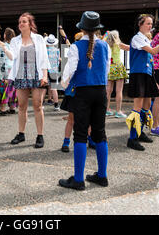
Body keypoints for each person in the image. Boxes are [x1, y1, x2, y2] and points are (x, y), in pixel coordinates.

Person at [58, 11, 111, 190]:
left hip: (83, 92)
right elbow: (106, 69)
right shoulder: (105, 46)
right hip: (100, 92)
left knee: (80, 134)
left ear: (82, 28)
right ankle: (102, 176)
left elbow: (70, 69)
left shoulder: (75, 47)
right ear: (97, 29)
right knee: (100, 133)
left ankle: (79, 180)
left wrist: (63, 84)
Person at [125, 15, 159, 151]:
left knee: (146, 106)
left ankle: (140, 132)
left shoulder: (145, 38)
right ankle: (132, 138)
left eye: (151, 23)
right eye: (147, 23)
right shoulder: (137, 38)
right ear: (140, 24)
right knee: (137, 107)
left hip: (147, 75)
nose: (150, 26)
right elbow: (153, 51)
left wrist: (153, 79)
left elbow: (150, 60)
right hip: (138, 75)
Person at [8, 12, 50, 148]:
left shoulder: (38, 39)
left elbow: (44, 58)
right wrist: (3, 47)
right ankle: (21, 133)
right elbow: (12, 56)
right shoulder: (15, 41)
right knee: (21, 106)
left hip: (36, 74)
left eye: (24, 21)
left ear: (30, 24)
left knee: (37, 105)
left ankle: (40, 135)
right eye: (20, 22)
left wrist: (44, 75)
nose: (21, 24)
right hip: (20, 74)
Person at [104, 30, 129, 118]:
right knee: (119, 91)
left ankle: (106, 110)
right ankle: (118, 111)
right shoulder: (119, 44)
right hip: (118, 67)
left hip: (109, 67)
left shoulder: (106, 45)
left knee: (108, 91)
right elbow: (129, 48)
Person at [0, 28, 18, 116]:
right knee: (12, 89)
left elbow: (2, 58)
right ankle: (12, 108)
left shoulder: (3, 45)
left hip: (6, 69)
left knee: (3, 89)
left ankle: (3, 109)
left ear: (5, 35)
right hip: (14, 70)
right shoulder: (15, 46)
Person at [45, 34, 61, 111]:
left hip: (47, 70)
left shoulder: (45, 51)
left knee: (43, 88)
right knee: (54, 88)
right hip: (54, 71)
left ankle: (41, 104)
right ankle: (56, 105)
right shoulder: (57, 50)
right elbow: (58, 60)